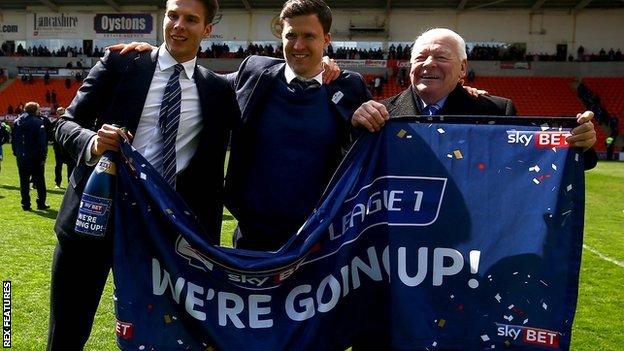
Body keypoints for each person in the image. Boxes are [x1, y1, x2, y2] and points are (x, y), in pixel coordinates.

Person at [46, 0, 238, 350]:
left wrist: (325, 66)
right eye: (172, 15)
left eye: (191, 19)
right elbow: (64, 123)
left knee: (163, 335)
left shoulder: (218, 90)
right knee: (67, 332)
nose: (178, 25)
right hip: (94, 215)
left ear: (207, 30)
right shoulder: (120, 63)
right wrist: (92, 141)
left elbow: (211, 175)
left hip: (162, 232)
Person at [223, 0, 373, 251]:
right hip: (252, 238)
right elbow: (200, 83)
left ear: (326, 39)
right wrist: (148, 60)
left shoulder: (350, 87)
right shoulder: (254, 71)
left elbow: (375, 138)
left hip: (320, 240)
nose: (298, 45)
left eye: (309, 36)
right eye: (291, 35)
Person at [352, 28, 597, 169]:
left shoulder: (495, 111)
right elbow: (345, 171)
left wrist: (578, 145)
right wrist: (355, 126)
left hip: (470, 244)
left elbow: (527, 164)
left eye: (441, 57)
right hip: (403, 241)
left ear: (462, 68)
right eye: (420, 57)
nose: (428, 64)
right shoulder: (380, 115)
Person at [11, 102, 49, 211]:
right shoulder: (38, 122)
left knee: (24, 181)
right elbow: (42, 142)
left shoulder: (17, 121)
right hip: (35, 157)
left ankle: (25, 204)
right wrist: (43, 156)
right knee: (40, 180)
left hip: (21, 156)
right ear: (35, 110)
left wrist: (16, 152)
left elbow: (13, 139)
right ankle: (41, 203)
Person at [51, 107, 75, 188]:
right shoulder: (54, 123)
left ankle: (69, 184)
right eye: (60, 113)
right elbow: (51, 136)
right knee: (58, 166)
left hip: (68, 149)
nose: (61, 114)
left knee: (70, 166)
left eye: (63, 113)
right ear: (57, 114)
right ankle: (57, 183)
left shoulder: (71, 123)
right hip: (58, 149)